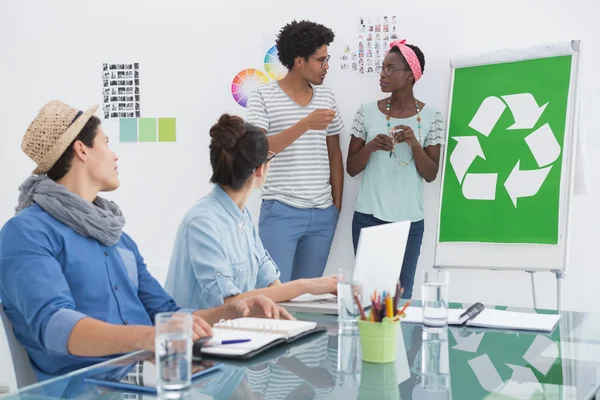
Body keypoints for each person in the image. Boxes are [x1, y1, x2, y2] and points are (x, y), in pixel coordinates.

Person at [0, 101, 288, 380]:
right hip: (86, 388)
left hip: (146, 378)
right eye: (107, 142)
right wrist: (149, 338)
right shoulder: (26, 232)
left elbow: (167, 314)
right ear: (81, 150)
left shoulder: (118, 238)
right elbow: (55, 327)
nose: (115, 156)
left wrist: (232, 312)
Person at [165, 114, 337, 310]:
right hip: (196, 335)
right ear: (259, 170)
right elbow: (228, 302)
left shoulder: (241, 215)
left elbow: (267, 274)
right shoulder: (202, 222)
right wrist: (304, 285)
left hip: (235, 329)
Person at [245, 20, 344, 283]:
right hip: (281, 212)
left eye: (327, 58)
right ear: (299, 60)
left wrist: (336, 205)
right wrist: (304, 124)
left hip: (323, 214)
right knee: (274, 296)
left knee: (308, 300)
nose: (326, 66)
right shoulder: (262, 97)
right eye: (320, 60)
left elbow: (334, 153)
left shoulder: (327, 97)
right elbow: (258, 150)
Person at [346, 40, 445, 299]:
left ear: (410, 74)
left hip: (409, 222)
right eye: (382, 68)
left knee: (401, 297)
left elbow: (431, 174)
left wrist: (414, 143)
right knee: (369, 297)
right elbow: (352, 169)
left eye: (391, 69)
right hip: (368, 218)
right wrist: (369, 148)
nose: (383, 74)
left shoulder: (432, 116)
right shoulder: (366, 112)